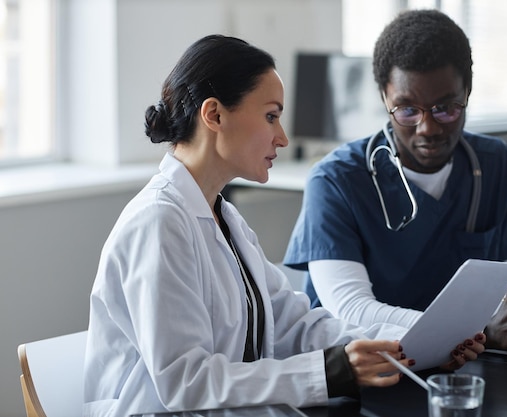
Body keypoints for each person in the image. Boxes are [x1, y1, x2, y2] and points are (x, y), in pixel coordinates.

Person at [82, 35, 486, 417]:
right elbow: (184, 382)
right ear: (215, 114)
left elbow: (295, 323)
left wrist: (412, 344)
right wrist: (330, 371)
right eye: (271, 116)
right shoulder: (158, 223)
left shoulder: (224, 219)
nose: (283, 137)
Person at [284, 9, 507, 355]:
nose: (428, 128)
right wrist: (479, 332)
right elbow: (351, 310)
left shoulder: (494, 164)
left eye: (446, 107)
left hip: (456, 365)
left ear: (468, 91)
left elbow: (499, 293)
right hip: (360, 370)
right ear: (384, 96)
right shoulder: (335, 180)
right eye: (407, 110)